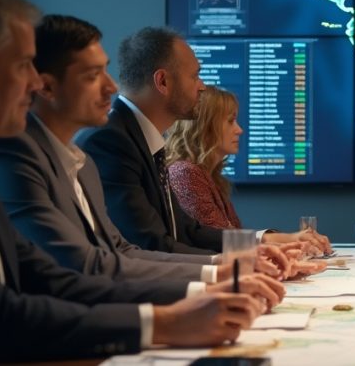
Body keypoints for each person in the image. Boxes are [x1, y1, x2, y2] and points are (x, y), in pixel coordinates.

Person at [0, 0, 264, 364]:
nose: (36, 83)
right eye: (23, 66)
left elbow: (46, 278)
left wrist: (186, 301)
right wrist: (162, 323)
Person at [0, 15, 296, 284]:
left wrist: (247, 252)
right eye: (93, 75)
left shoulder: (94, 155)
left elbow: (150, 242)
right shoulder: (103, 143)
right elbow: (133, 250)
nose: (110, 86)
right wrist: (221, 273)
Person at [76, 27, 330, 256]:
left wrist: (266, 241)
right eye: (195, 76)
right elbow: (150, 243)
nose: (202, 86)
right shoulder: (111, 141)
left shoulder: (140, 139)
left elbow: (188, 231)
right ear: (162, 81)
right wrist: (243, 263)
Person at [166, 85, 244, 229]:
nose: (239, 130)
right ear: (205, 126)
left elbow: (235, 238)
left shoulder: (211, 177)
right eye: (230, 121)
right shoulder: (185, 173)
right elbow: (220, 239)